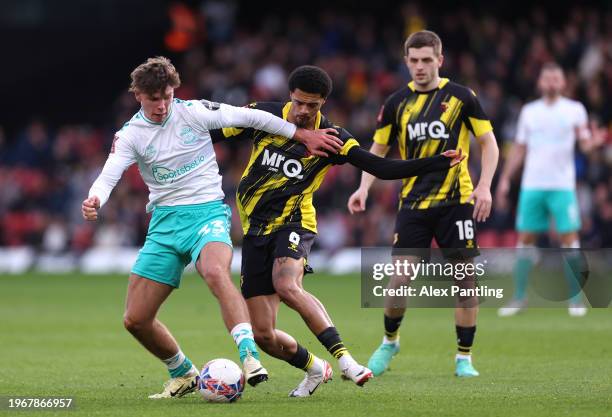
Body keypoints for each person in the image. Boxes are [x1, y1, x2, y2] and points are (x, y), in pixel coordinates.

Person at [81, 56, 345, 399]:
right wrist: (95, 198)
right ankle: (182, 372)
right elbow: (110, 172)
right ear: (138, 97)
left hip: (207, 214)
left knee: (215, 272)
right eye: (153, 99)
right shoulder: (130, 135)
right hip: (164, 223)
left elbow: (251, 116)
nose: (162, 106)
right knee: (136, 319)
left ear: (174, 91)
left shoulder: (193, 111)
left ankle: (249, 356)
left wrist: (300, 135)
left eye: (167, 97)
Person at [211, 65, 464, 397]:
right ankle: (316, 369)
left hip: (294, 222)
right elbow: (212, 131)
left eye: (312, 105)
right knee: (264, 334)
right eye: (299, 103)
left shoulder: (332, 137)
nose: (303, 111)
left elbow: (381, 167)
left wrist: (434, 162)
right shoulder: (263, 116)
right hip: (254, 230)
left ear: (323, 102)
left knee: (286, 284)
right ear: (290, 96)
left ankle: (345, 360)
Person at [347, 30, 499, 378]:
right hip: (413, 203)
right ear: (406, 62)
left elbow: (489, 144)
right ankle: (390, 340)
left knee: (464, 281)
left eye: (427, 60)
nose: (420, 66)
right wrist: (363, 187)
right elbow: (379, 149)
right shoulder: (396, 103)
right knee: (399, 279)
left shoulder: (462, 97)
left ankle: (464, 357)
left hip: (456, 201)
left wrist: (485, 186)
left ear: (440, 61)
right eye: (414, 60)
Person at [496, 62, 604, 317]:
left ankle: (576, 300)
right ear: (540, 82)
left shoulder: (575, 110)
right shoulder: (529, 112)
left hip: (561, 186)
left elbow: (584, 143)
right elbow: (520, 148)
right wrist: (504, 178)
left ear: (563, 82)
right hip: (532, 185)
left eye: (556, 78)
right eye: (548, 78)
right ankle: (519, 297)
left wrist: (595, 143)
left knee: (569, 239)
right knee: (525, 240)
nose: (552, 82)